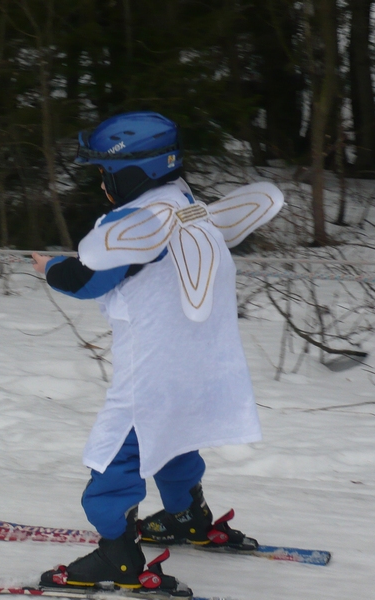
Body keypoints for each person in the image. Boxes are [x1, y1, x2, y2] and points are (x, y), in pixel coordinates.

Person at [32, 111, 283, 596]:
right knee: (173, 437)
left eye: (105, 174)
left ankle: (118, 556)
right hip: (203, 368)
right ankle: (189, 518)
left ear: (131, 173)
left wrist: (50, 268)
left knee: (114, 457)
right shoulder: (190, 206)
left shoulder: (136, 227)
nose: (102, 184)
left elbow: (87, 279)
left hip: (152, 372)